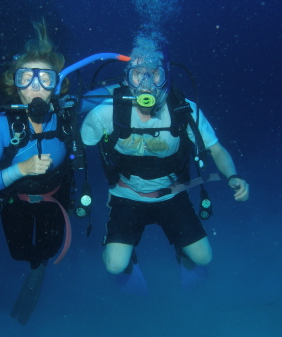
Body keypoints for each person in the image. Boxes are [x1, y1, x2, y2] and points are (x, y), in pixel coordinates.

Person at [80, 36, 250, 287]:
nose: (146, 84)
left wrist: (233, 176)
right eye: (139, 74)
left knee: (204, 257)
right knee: (114, 265)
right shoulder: (105, 111)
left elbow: (216, 149)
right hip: (126, 195)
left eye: (154, 74)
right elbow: (82, 147)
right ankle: (126, 260)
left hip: (173, 195)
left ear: (166, 76)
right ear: (127, 77)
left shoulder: (184, 110)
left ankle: (184, 255)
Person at [0, 19, 73, 325]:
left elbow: (109, 97)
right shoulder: (1, 126)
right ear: (13, 85)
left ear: (56, 83)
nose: (35, 88)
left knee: (49, 248)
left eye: (44, 78)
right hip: (16, 197)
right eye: (25, 78)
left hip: (56, 193)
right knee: (19, 253)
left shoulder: (67, 112)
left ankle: (40, 267)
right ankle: (35, 265)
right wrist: (20, 169)